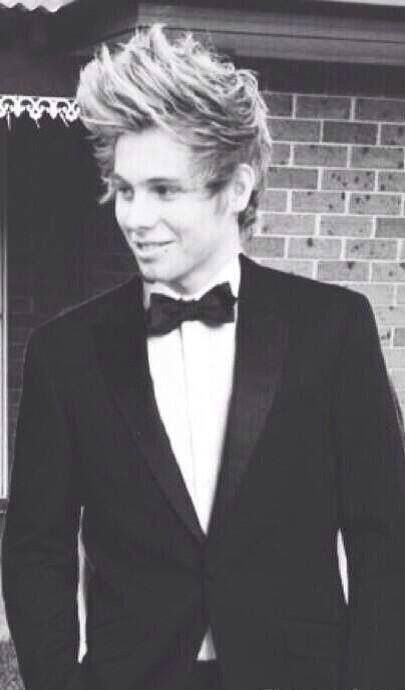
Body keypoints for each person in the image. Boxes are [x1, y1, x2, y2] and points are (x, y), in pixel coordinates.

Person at [2, 24, 405, 690]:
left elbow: (385, 539)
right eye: (124, 189)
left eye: (164, 190)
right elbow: (35, 551)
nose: (135, 217)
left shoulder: (333, 330)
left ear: (237, 187)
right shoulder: (64, 353)